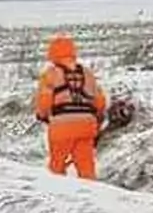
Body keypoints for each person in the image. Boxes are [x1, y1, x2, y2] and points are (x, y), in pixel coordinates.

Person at [34, 33, 107, 179]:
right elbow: (99, 101)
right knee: (86, 166)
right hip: (87, 125)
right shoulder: (87, 73)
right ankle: (91, 194)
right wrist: (97, 118)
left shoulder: (50, 74)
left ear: (52, 53)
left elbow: (44, 100)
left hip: (62, 125)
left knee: (57, 165)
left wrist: (42, 115)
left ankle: (57, 195)